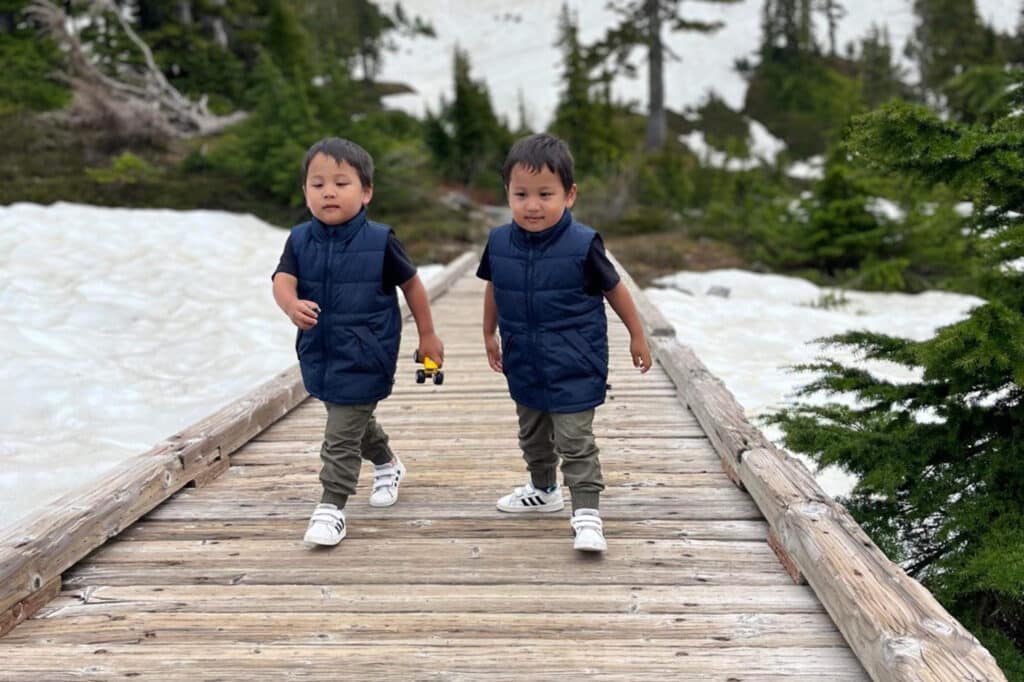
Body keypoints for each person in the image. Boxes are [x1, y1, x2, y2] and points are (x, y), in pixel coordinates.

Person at [477, 133, 652, 553]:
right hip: (524, 359)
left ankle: (587, 512)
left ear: (569, 195)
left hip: (575, 360)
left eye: (545, 194)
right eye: (521, 194)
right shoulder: (499, 242)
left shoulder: (582, 244)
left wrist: (637, 334)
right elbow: (493, 287)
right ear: (507, 194)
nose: (532, 205)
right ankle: (543, 489)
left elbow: (615, 289)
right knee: (532, 435)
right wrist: (488, 332)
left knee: (575, 440)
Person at [272, 137, 443, 547]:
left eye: (341, 183)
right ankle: (387, 463)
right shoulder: (299, 240)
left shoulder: (380, 240)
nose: (328, 191)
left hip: (368, 348)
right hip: (321, 350)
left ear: (366, 192)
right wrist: (291, 305)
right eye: (318, 184)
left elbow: (413, 285)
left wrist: (428, 335)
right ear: (305, 193)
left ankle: (331, 506)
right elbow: (282, 280)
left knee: (341, 431)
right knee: (350, 418)